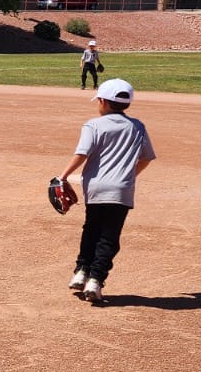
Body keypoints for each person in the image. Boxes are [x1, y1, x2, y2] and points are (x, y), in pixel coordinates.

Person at [57, 78, 156, 303]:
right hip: (121, 190)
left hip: (95, 188)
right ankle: (96, 280)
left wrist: (62, 176)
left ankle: (81, 272)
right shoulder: (138, 127)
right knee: (109, 236)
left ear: (102, 101)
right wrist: (129, 175)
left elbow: (82, 153)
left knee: (91, 229)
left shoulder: (93, 124)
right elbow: (147, 158)